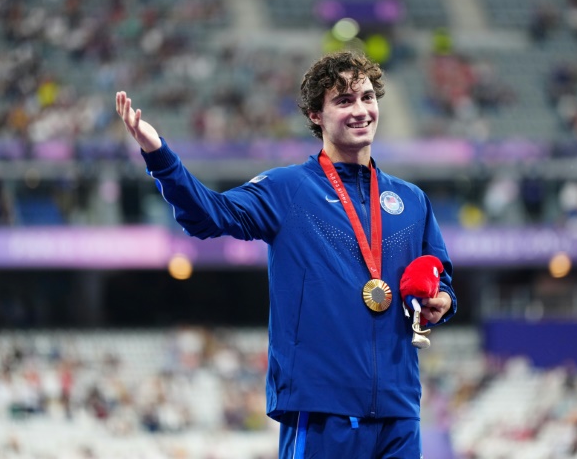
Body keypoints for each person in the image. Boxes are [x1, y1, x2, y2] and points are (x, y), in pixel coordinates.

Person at [115, 50, 457, 458]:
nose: (361, 110)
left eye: (367, 97)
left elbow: (442, 277)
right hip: (321, 410)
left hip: (399, 410)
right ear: (316, 115)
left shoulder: (411, 200)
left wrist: (443, 301)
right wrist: (160, 158)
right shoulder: (289, 189)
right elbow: (208, 217)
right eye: (344, 101)